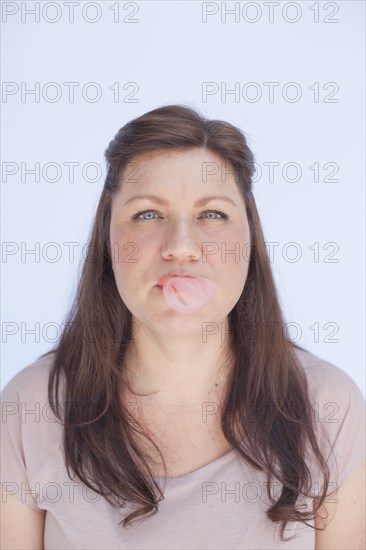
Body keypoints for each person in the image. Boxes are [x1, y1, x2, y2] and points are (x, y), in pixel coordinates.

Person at [1, 105, 365, 550]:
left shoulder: (329, 407)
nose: (180, 247)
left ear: (249, 239)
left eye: (212, 214)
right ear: (109, 241)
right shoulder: (32, 407)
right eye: (147, 214)